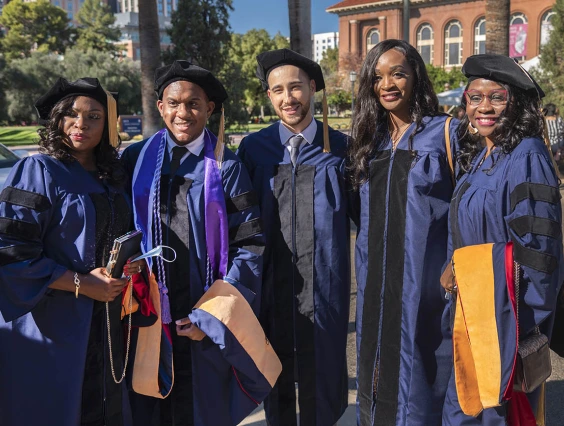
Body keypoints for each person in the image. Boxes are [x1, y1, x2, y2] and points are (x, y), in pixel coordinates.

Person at [121, 60, 268, 426]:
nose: (182, 112)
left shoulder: (226, 167)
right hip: (147, 312)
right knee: (147, 406)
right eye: (173, 103)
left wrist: (211, 318)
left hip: (203, 312)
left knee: (201, 408)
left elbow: (250, 246)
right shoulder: (136, 159)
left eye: (193, 104)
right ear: (160, 107)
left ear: (209, 109)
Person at [0, 77, 143, 426]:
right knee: (56, 408)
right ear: (56, 119)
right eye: (71, 115)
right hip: (53, 319)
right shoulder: (38, 171)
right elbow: (10, 250)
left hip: (108, 319)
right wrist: (82, 283)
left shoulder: (113, 176)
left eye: (94, 116)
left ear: (107, 124)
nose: (81, 124)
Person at [440, 55, 563, 424]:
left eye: (496, 97)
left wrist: (523, 327)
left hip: (504, 322)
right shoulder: (481, 156)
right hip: (473, 314)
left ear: (518, 103)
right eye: (474, 98)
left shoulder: (527, 155)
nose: (484, 107)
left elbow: (539, 251)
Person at [236, 48, 351, 425]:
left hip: (326, 281)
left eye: (296, 87)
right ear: (269, 96)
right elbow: (241, 219)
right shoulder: (254, 149)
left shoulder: (343, 149)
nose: (289, 98)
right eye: (278, 90)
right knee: (275, 366)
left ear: (313, 88)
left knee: (326, 363)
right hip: (271, 281)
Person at [349, 39, 459, 425]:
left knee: (425, 375)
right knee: (376, 372)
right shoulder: (371, 140)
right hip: (376, 283)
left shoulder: (446, 132)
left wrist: (456, 266)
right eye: (377, 77)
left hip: (425, 282)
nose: (388, 84)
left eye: (398, 73)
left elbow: (471, 204)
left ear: (415, 76)